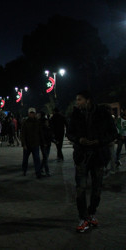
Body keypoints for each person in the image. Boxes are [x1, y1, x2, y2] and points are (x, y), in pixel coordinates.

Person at [66, 91, 118, 233]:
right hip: (82, 156)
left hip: (99, 156)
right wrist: (79, 140)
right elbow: (69, 133)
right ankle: (83, 218)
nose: (77, 102)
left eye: (79, 100)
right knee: (81, 188)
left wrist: (100, 141)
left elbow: (113, 133)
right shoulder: (76, 114)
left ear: (88, 100)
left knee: (97, 189)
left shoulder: (103, 114)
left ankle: (91, 213)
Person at [20, 107, 43, 178]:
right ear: (28, 114)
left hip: (35, 144)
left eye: (33, 113)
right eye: (31, 113)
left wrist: (42, 142)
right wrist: (24, 144)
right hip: (27, 144)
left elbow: (40, 133)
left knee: (37, 159)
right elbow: (22, 134)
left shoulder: (38, 123)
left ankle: (38, 173)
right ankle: (24, 170)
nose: (32, 115)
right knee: (25, 159)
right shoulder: (25, 123)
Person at [39, 112, 53, 177]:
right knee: (45, 158)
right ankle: (47, 171)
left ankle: (40, 168)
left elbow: (50, 137)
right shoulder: (43, 129)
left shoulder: (48, 128)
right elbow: (42, 136)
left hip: (47, 144)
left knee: (45, 158)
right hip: (44, 144)